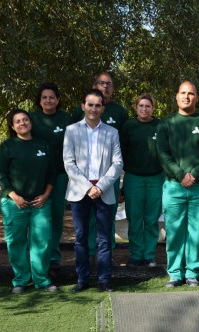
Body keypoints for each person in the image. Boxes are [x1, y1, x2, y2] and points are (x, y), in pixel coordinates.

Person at [157, 81, 199, 287]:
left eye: (191, 93)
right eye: (183, 93)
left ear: (196, 97)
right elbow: (163, 154)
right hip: (174, 187)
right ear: (176, 96)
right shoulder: (166, 123)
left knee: (197, 232)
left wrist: (194, 174)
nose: (186, 97)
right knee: (174, 233)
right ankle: (175, 273)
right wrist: (180, 175)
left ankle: (192, 272)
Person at [64, 89, 123, 293]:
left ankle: (104, 279)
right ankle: (82, 278)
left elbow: (117, 163)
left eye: (98, 105)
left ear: (103, 108)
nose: (93, 109)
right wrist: (88, 187)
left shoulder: (112, 132)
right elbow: (69, 163)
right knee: (81, 238)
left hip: (104, 191)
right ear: (83, 106)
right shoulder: (71, 131)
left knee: (105, 238)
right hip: (80, 191)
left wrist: (100, 186)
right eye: (90, 104)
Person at [0, 109, 58, 294]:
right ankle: (20, 280)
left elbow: (52, 174)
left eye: (25, 119)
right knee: (16, 242)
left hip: (40, 204)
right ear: (13, 127)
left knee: (42, 241)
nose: (22, 123)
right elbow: (0, 174)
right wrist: (14, 196)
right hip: (14, 203)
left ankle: (42, 280)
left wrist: (46, 195)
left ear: (30, 122)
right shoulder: (8, 146)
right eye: (18, 121)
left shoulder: (43, 145)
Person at [72, 72, 128, 255]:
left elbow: (124, 144)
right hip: (84, 177)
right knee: (86, 221)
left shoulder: (120, 111)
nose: (105, 86)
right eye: (101, 83)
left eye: (109, 84)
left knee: (107, 218)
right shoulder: (79, 111)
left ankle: (107, 255)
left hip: (109, 175)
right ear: (94, 85)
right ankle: (88, 255)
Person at [29, 83, 73, 272]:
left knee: (56, 216)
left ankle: (54, 254)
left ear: (58, 99)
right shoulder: (31, 119)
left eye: (52, 97)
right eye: (44, 97)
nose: (48, 100)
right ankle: (36, 256)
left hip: (60, 175)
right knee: (37, 217)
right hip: (35, 177)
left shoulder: (66, 119)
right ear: (39, 101)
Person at [120, 93, 163, 268]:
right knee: (135, 218)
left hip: (156, 178)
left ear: (153, 108)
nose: (144, 109)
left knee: (152, 219)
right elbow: (120, 150)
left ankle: (149, 255)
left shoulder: (160, 125)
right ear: (136, 108)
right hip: (133, 178)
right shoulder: (128, 126)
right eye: (141, 106)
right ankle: (136, 255)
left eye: (148, 106)